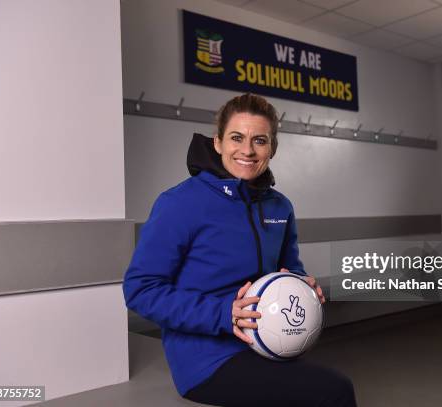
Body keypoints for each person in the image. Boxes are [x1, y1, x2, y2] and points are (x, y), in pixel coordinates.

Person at [123, 93, 357, 406]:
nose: (247, 150)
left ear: (272, 148)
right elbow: (141, 290)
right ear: (218, 142)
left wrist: (302, 285)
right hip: (206, 360)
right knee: (335, 390)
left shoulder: (280, 206)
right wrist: (223, 314)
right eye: (237, 137)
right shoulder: (180, 203)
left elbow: (289, 269)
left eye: (259, 140)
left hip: (269, 345)